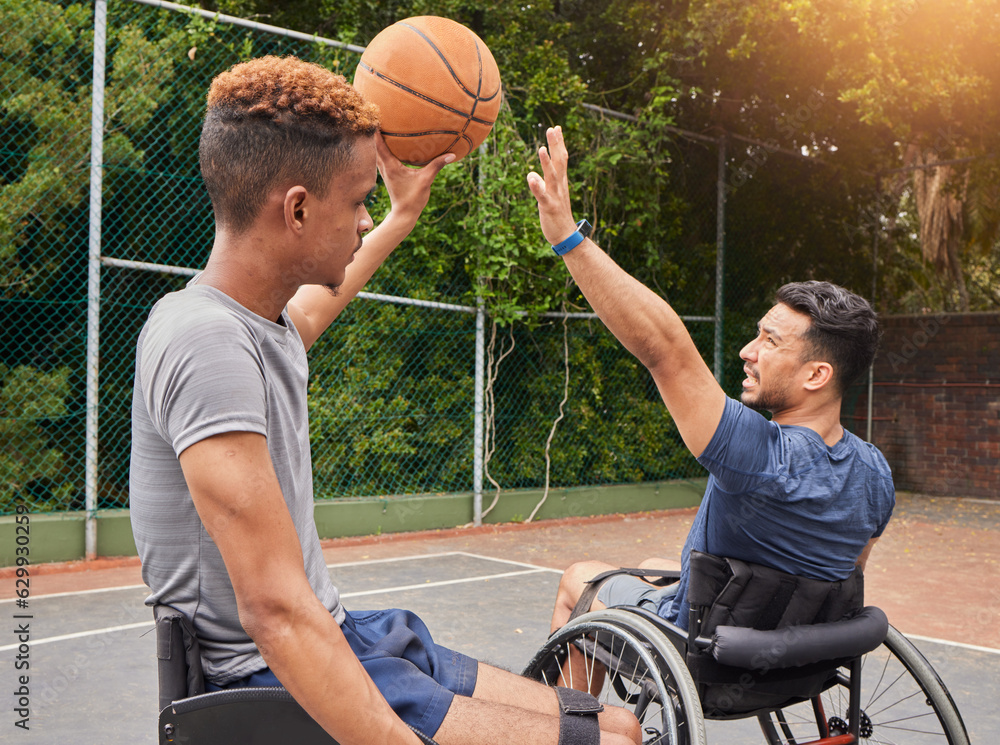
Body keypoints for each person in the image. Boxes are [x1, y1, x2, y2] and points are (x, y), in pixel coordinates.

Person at [129, 58, 640, 745]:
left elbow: (313, 312)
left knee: (617, 723)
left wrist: (401, 217)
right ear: (299, 208)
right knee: (613, 741)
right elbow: (275, 611)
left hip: (346, 633)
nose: (365, 216)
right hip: (270, 676)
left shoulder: (258, 322)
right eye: (360, 199)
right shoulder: (203, 340)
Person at [525, 126, 895, 641]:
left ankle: (593, 725)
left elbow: (665, 350)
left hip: (709, 650)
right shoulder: (875, 474)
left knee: (579, 580)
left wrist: (567, 236)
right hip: (796, 654)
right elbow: (841, 575)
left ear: (817, 374)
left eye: (769, 340)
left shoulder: (760, 456)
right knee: (656, 563)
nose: (748, 351)